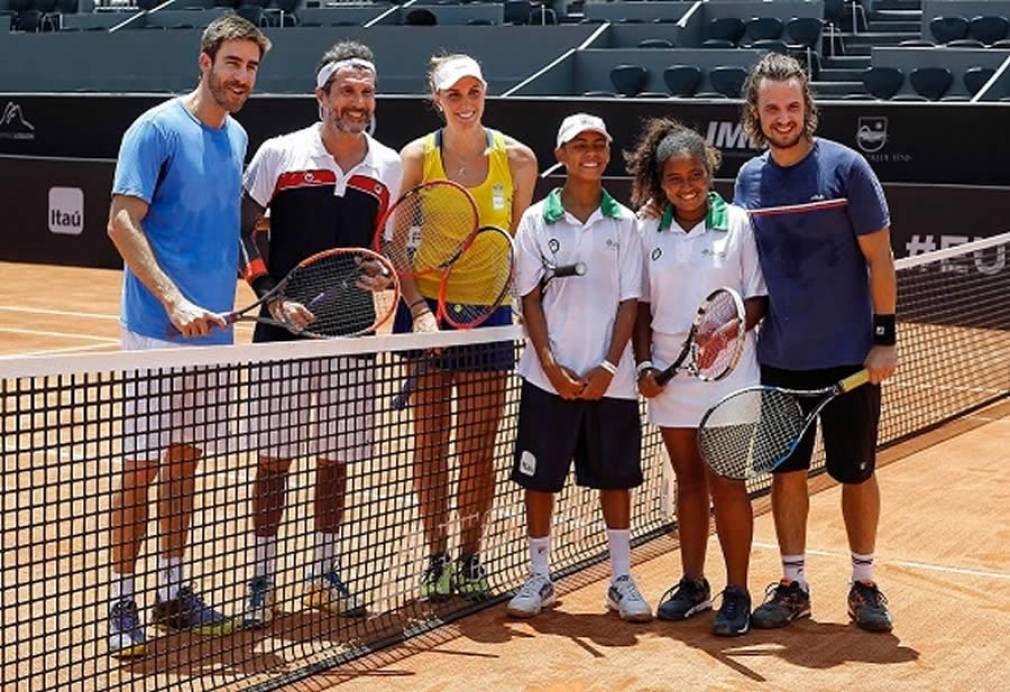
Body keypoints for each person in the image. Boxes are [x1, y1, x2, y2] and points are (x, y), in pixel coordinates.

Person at [104, 15, 270, 658]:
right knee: (141, 468)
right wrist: (172, 300)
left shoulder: (237, 137)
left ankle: (173, 593)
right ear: (205, 62)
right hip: (155, 330)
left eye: (252, 67)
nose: (242, 77)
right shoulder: (155, 128)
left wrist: (258, 284)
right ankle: (122, 597)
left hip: (212, 338)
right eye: (233, 63)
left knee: (184, 464)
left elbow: (226, 233)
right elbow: (122, 222)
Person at [237, 41, 402, 627]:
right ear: (322, 96)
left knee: (336, 459)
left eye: (366, 92)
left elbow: (384, 248)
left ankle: (324, 573)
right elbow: (242, 231)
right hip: (281, 332)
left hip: (350, 332)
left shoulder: (388, 164)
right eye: (347, 91)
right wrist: (271, 298)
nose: (358, 103)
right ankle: (261, 575)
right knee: (274, 457)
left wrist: (383, 269)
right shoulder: (279, 153)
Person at [733, 53, 898, 633]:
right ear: (756, 112)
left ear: (808, 109)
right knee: (787, 474)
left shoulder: (847, 168)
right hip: (780, 359)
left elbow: (880, 259)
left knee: (856, 473)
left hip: (850, 358)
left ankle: (864, 582)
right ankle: (794, 582)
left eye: (793, 106)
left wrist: (884, 339)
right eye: (772, 107)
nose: (784, 117)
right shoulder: (749, 180)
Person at [393, 54, 537, 602]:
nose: (465, 103)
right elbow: (394, 241)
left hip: (488, 316)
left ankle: (472, 557)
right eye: (453, 95)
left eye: (473, 92)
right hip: (427, 311)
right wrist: (419, 308)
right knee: (429, 446)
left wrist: (517, 307)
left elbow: (518, 242)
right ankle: (435, 557)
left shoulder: (518, 160)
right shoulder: (417, 158)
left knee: (477, 446)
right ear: (438, 100)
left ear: (485, 93)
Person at [505, 113, 652, 622]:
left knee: (616, 480)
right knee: (540, 481)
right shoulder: (534, 221)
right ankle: (540, 576)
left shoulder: (626, 223)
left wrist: (610, 365)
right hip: (548, 378)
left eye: (599, 144)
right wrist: (549, 365)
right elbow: (529, 300)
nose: (591, 152)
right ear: (562, 153)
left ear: (607, 152)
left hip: (612, 379)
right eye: (579, 144)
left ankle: (619, 577)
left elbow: (631, 302)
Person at [626, 119, 767, 636]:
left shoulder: (738, 223)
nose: (687, 187)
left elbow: (753, 300)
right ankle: (693, 583)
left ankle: (737, 591)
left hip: (729, 376)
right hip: (669, 380)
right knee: (688, 481)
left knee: (728, 481)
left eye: (695, 176)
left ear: (709, 173)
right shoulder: (646, 230)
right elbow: (639, 306)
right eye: (674, 179)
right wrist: (644, 365)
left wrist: (721, 337)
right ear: (660, 183)